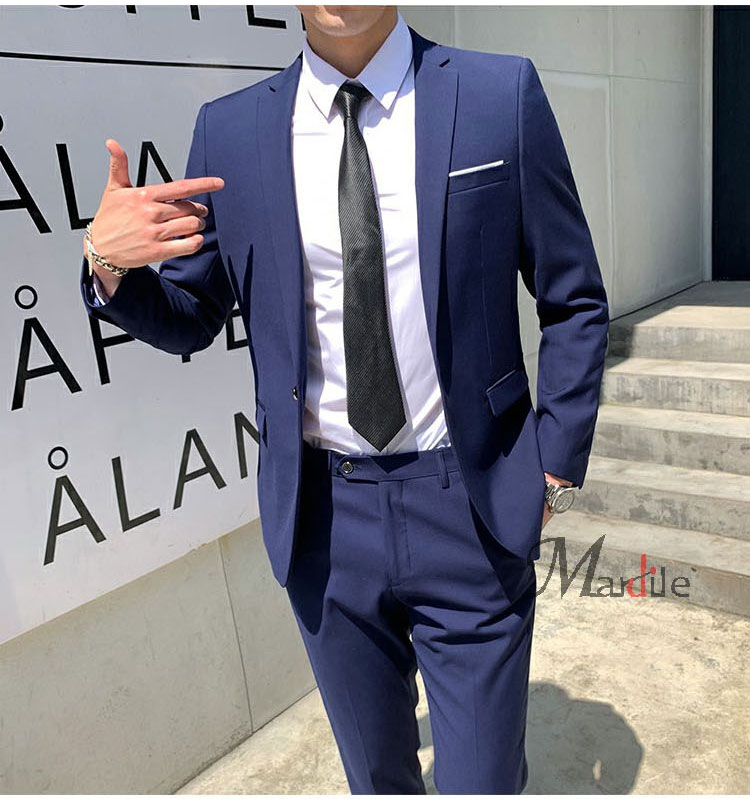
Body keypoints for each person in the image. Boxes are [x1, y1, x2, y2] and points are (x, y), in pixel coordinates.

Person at [78, 5, 609, 793]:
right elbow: (192, 315)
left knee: (484, 780)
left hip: (470, 507)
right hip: (324, 523)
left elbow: (574, 298)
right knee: (376, 779)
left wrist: (552, 469)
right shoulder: (232, 132)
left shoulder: (498, 96)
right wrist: (107, 263)